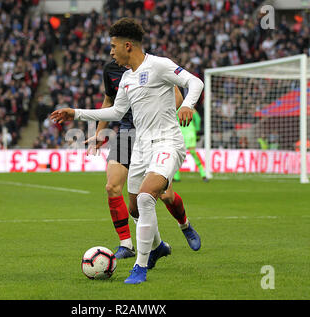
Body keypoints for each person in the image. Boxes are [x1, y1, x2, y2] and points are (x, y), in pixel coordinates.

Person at [51, 18, 204, 284]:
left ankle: (140, 266)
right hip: (141, 147)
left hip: (167, 142)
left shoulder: (159, 65)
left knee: (146, 198)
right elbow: (116, 111)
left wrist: (189, 104)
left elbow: (195, 82)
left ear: (128, 46)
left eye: (113, 46)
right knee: (135, 207)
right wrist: (75, 113)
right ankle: (158, 247)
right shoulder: (126, 79)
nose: (111, 52)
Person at [86, 60, 201, 262]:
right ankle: (126, 244)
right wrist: (99, 132)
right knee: (112, 186)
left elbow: (177, 96)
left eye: (115, 45)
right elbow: (108, 101)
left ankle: (184, 225)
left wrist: (154, 110)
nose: (113, 51)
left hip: (153, 134)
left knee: (166, 196)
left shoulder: (152, 65)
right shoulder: (111, 70)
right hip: (126, 133)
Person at [173, 107, 208, 182]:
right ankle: (203, 174)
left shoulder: (175, 108)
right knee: (193, 153)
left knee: (177, 155)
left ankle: (176, 177)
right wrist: (197, 130)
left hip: (179, 134)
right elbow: (198, 118)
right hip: (190, 133)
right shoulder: (189, 108)